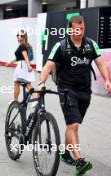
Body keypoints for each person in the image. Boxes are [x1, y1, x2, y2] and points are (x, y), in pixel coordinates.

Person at [38, 16, 111, 175]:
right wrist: (41, 82)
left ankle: (64, 152)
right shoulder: (61, 46)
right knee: (74, 125)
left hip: (85, 91)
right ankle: (79, 161)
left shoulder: (91, 44)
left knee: (73, 124)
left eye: (82, 29)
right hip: (66, 90)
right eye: (76, 29)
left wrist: (107, 80)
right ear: (70, 29)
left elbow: (100, 64)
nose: (79, 32)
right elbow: (48, 66)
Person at [6, 30, 35, 101]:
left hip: (22, 67)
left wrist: (28, 66)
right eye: (18, 35)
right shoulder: (27, 45)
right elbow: (20, 57)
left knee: (18, 83)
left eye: (21, 35)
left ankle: (15, 100)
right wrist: (10, 62)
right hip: (24, 65)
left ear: (24, 37)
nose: (19, 37)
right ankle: (36, 99)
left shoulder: (22, 46)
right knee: (27, 84)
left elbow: (25, 57)